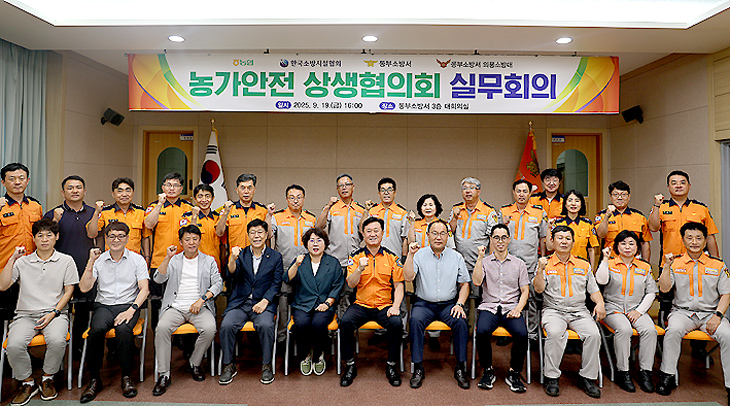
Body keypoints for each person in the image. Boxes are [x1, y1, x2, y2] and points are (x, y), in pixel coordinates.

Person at [0, 219, 77, 406]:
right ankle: (27, 382)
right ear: (33, 239)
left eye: (49, 235)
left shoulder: (66, 260)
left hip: (55, 314)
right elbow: (3, 286)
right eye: (40, 235)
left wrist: (54, 312)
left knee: (57, 340)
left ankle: (47, 378)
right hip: (25, 315)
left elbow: (69, 291)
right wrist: (12, 259)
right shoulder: (23, 262)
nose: (44, 239)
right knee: (14, 345)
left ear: (56, 237)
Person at [649, 170, 720, 359]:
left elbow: (710, 237)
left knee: (700, 304)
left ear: (689, 185)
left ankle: (699, 347)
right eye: (674, 182)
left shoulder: (701, 208)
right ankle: (664, 343)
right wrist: (656, 206)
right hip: (670, 265)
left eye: (682, 182)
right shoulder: (662, 207)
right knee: (666, 303)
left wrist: (716, 261)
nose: (678, 185)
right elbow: (653, 227)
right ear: (668, 187)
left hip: (698, 265)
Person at [656, 222, 730, 402]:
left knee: (728, 335)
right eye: (689, 238)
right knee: (673, 331)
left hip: (710, 314)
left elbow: (726, 294)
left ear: (705, 241)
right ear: (683, 240)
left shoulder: (718, 265)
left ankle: (729, 385)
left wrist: (717, 316)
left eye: (698, 238)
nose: (694, 242)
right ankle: (667, 376)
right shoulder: (675, 263)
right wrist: (666, 266)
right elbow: (664, 289)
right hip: (682, 313)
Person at [77, 221, 149, 402]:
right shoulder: (99, 260)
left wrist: (132, 310)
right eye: (112, 236)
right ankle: (94, 379)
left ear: (127, 238)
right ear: (106, 239)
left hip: (128, 305)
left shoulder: (137, 260)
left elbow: (144, 289)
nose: (116, 240)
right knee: (96, 331)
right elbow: (84, 287)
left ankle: (126, 377)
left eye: (120, 236)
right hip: (104, 306)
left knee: (123, 330)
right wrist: (90, 262)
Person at [533, 225, 606, 398]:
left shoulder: (583, 265)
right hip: (554, 310)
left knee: (593, 335)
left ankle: (587, 378)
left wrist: (600, 303)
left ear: (573, 242)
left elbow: (593, 290)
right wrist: (540, 270)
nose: (564, 241)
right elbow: (538, 289)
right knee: (555, 333)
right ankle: (552, 377)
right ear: (552, 241)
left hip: (579, 311)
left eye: (567, 238)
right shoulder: (545, 263)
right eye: (560, 238)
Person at [152, 225, 222, 395]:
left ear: (200, 240)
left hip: (199, 307)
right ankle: (164, 374)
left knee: (210, 328)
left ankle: (194, 363)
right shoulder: (174, 260)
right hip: (175, 307)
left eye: (195, 239)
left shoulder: (209, 260)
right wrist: (167, 258)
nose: (191, 242)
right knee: (162, 328)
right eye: (187, 239)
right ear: (181, 242)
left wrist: (202, 299)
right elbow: (158, 279)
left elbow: (218, 283)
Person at [403, 220, 471, 389]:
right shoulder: (419, 255)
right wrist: (410, 255)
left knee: (461, 322)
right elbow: (408, 277)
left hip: (449, 305)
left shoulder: (456, 257)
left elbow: (465, 285)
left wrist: (460, 304)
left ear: (448, 236)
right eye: (434, 233)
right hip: (424, 304)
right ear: (428, 236)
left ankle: (460, 368)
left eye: (442, 233)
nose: (438, 237)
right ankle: (418, 368)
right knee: (415, 320)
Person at [340, 217, 405, 387]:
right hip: (362, 304)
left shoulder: (392, 257)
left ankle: (391, 365)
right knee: (345, 322)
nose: (372, 234)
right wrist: (359, 269)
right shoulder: (355, 257)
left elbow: (399, 285)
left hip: (384, 305)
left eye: (376, 230)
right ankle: (350, 365)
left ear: (382, 233)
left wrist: (396, 306)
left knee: (396, 323)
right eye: (368, 231)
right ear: (363, 234)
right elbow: (351, 283)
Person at [218, 219, 283, 386]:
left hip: (263, 303)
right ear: (248, 235)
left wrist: (265, 301)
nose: (256, 236)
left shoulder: (275, 256)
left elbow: (276, 283)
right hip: (241, 302)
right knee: (227, 325)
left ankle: (266, 365)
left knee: (266, 325)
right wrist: (232, 258)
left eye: (260, 232)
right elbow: (231, 275)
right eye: (253, 233)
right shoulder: (241, 254)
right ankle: (228, 365)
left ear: (266, 235)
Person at [595, 230, 658, 393]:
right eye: (623, 243)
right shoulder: (610, 264)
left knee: (650, 330)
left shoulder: (644, 267)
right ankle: (623, 372)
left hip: (636, 309)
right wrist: (604, 259)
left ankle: (645, 372)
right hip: (612, 309)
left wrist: (639, 311)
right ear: (617, 246)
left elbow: (651, 292)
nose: (627, 247)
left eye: (631, 243)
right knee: (624, 329)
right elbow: (600, 280)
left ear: (637, 247)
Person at [472, 223, 529, 393]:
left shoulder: (519, 264)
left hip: (511, 307)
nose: (500, 241)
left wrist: (518, 308)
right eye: (496, 237)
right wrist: (479, 258)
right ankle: (488, 370)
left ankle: (514, 372)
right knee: (482, 331)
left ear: (509, 239)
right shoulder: (485, 261)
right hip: (489, 307)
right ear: (491, 239)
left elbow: (525, 290)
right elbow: (476, 281)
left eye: (504, 237)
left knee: (522, 333)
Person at [43, 175, 95, 356]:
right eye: (70, 188)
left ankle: (79, 348)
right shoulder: (53, 213)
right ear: (63, 192)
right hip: (59, 270)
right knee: (60, 308)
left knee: (83, 309)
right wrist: (55, 220)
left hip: (85, 268)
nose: (74, 191)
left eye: (78, 187)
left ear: (84, 191)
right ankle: (57, 349)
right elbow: (44, 238)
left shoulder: (93, 212)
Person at [285, 228, 344, 376]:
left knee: (318, 323)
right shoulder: (300, 260)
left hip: (324, 304)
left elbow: (337, 285)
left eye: (319, 240)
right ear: (306, 244)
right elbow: (287, 278)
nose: (315, 244)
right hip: (302, 304)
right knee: (302, 323)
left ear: (325, 243)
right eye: (311, 240)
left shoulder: (333, 262)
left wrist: (328, 303)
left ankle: (318, 355)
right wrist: (295, 265)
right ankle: (305, 355)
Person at [144, 172, 193, 328]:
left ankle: (180, 338)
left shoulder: (188, 208)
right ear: (163, 187)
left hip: (184, 262)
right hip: (160, 262)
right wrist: (160, 204)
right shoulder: (153, 206)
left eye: (176, 185)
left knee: (182, 301)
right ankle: (157, 334)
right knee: (157, 301)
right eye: (168, 185)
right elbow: (148, 224)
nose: (172, 188)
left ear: (181, 188)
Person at [271, 184, 317, 346]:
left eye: (299, 197)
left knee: (305, 302)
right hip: (284, 268)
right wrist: (268, 216)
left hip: (305, 270)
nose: (295, 200)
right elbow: (268, 235)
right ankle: (282, 338)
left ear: (304, 199)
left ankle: (302, 336)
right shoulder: (277, 217)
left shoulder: (311, 219)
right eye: (292, 197)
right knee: (283, 302)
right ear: (286, 199)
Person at [501, 179, 547, 340]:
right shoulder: (504, 211)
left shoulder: (539, 212)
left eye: (525, 191)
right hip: (507, 264)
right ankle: (508, 332)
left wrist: (542, 259)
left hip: (530, 265)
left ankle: (532, 334)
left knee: (532, 299)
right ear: (513, 193)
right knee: (508, 298)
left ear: (530, 194)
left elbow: (543, 238)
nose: (521, 194)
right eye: (518, 191)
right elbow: (497, 236)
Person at [449, 177, 500, 272]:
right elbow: (449, 233)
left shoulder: (488, 211)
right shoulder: (456, 209)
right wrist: (455, 218)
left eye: (471, 188)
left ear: (478, 191)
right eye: (465, 188)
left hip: (480, 264)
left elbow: (493, 238)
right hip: (459, 263)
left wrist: (491, 262)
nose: (468, 191)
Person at [86, 177, 148, 255]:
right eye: (120, 191)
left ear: (133, 192)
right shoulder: (105, 212)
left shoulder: (141, 212)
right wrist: (96, 212)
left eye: (128, 191)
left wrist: (147, 257)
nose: (124, 194)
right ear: (113, 194)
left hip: (134, 258)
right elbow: (91, 234)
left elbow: (145, 237)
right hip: (111, 257)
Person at [594, 180, 652, 261]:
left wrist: (646, 264)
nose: (619, 198)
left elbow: (644, 242)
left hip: (634, 261)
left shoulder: (639, 216)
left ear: (629, 196)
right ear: (610, 196)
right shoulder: (602, 215)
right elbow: (600, 235)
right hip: (610, 260)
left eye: (623, 194)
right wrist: (607, 216)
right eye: (615, 194)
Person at [317, 173, 365, 267]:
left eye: (347, 184)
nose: (344, 188)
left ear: (353, 187)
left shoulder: (360, 210)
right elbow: (319, 227)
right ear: (337, 189)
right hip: (335, 259)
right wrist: (327, 207)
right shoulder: (332, 208)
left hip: (355, 259)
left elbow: (364, 232)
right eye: (341, 185)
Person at [0, 163, 43, 269]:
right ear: (3, 182)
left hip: (33, 266)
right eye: (12, 179)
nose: (17, 182)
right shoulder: (1, 206)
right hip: (5, 266)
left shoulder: (36, 206)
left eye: (21, 178)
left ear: (27, 181)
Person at [216, 173, 272, 254]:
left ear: (254, 190)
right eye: (242, 188)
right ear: (237, 190)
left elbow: (269, 236)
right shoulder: (229, 209)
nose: (246, 191)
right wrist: (225, 213)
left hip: (257, 257)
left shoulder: (263, 210)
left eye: (249, 188)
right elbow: (219, 233)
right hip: (235, 257)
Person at [547, 190, 599, 270]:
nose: (573, 203)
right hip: (560, 266)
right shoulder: (557, 223)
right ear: (565, 204)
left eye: (577, 201)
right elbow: (549, 247)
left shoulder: (588, 224)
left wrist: (592, 270)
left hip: (581, 268)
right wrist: (548, 228)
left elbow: (591, 250)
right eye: (570, 200)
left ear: (581, 204)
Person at [181, 184, 224, 270]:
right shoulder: (187, 217)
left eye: (207, 196)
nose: (204, 200)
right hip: (194, 266)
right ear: (195, 199)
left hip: (215, 266)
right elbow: (188, 237)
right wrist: (194, 217)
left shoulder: (218, 218)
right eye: (200, 196)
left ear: (212, 198)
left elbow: (223, 244)